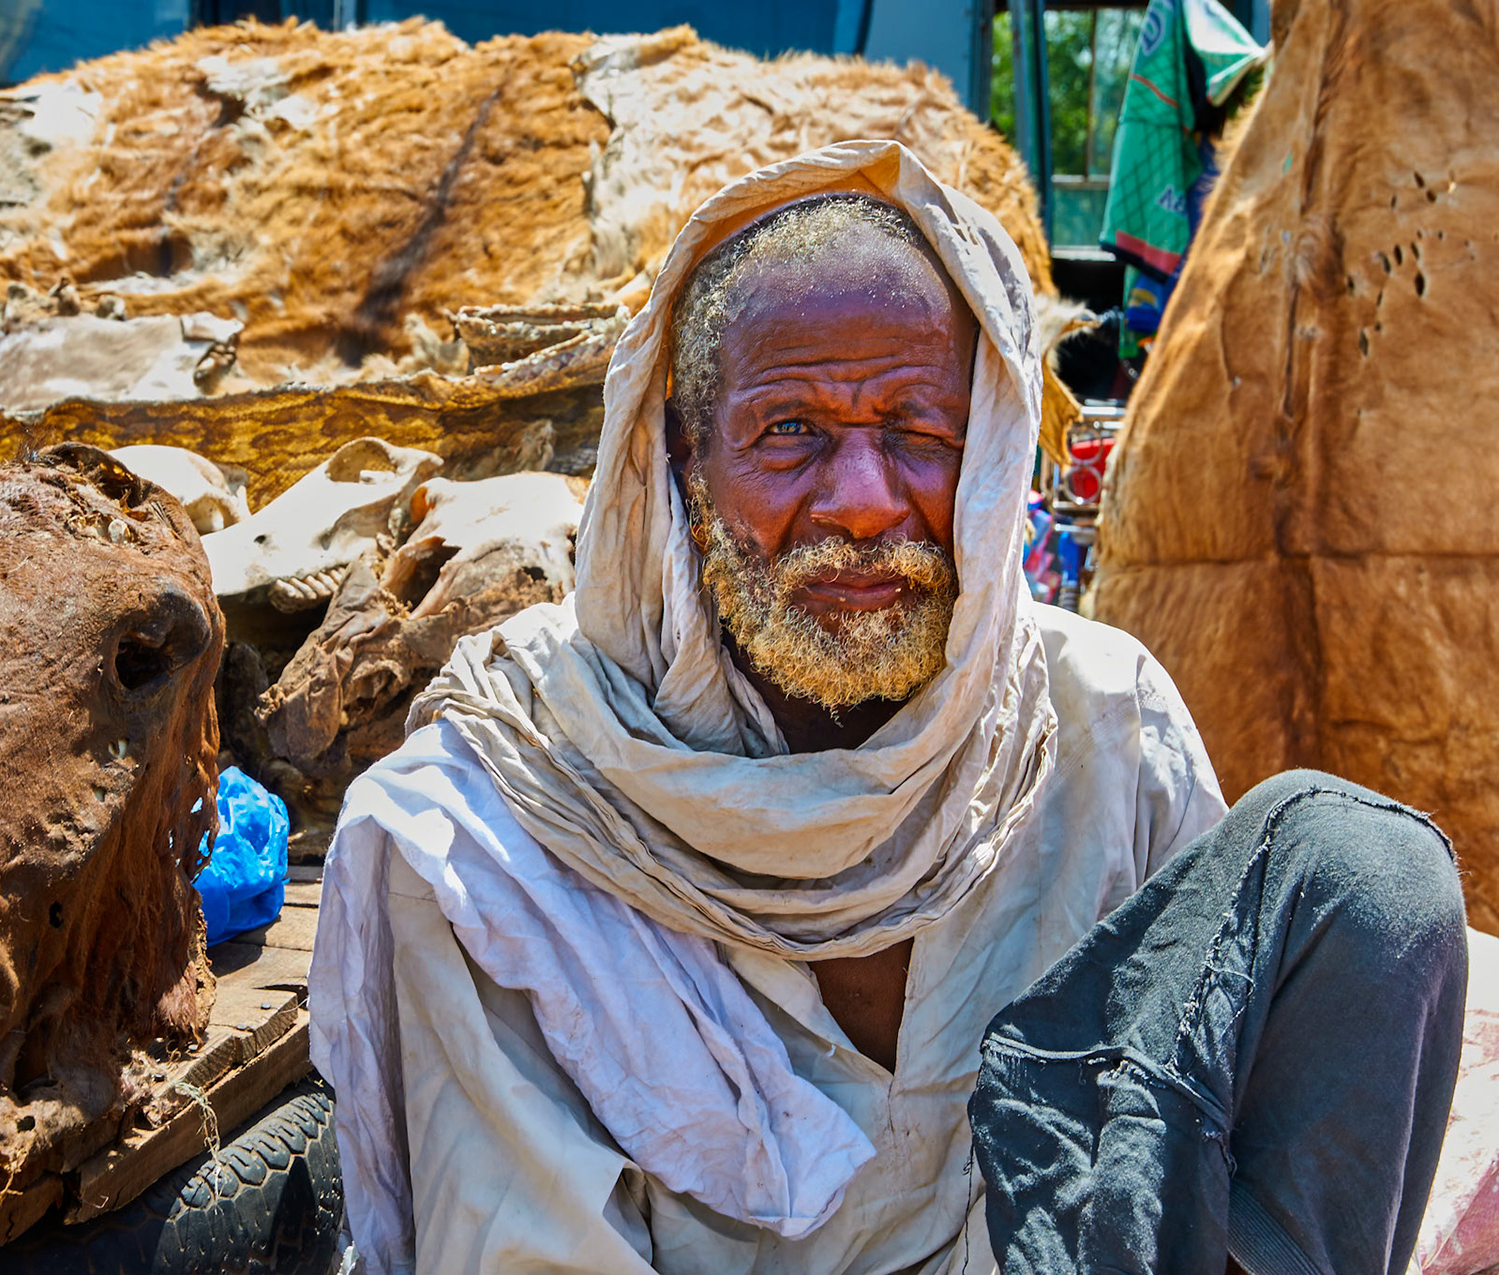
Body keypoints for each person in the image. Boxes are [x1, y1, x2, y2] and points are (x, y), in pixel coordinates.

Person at [310, 141, 1468, 1275]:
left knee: (1360, 869)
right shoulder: (490, 827)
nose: (864, 503)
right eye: (790, 432)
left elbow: (1184, 1122)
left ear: (991, 455)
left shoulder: (1098, 720)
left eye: (919, 435)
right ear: (684, 463)